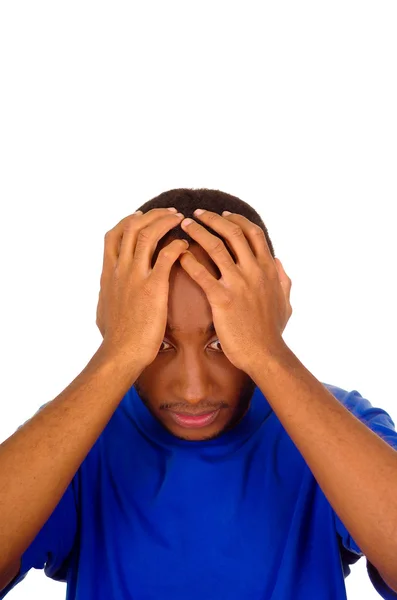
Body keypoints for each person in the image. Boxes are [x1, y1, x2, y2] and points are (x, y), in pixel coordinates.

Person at [0, 188, 396, 599]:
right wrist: (116, 356)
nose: (192, 391)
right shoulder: (76, 433)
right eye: (158, 344)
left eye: (222, 343)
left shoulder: (341, 420)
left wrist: (270, 354)